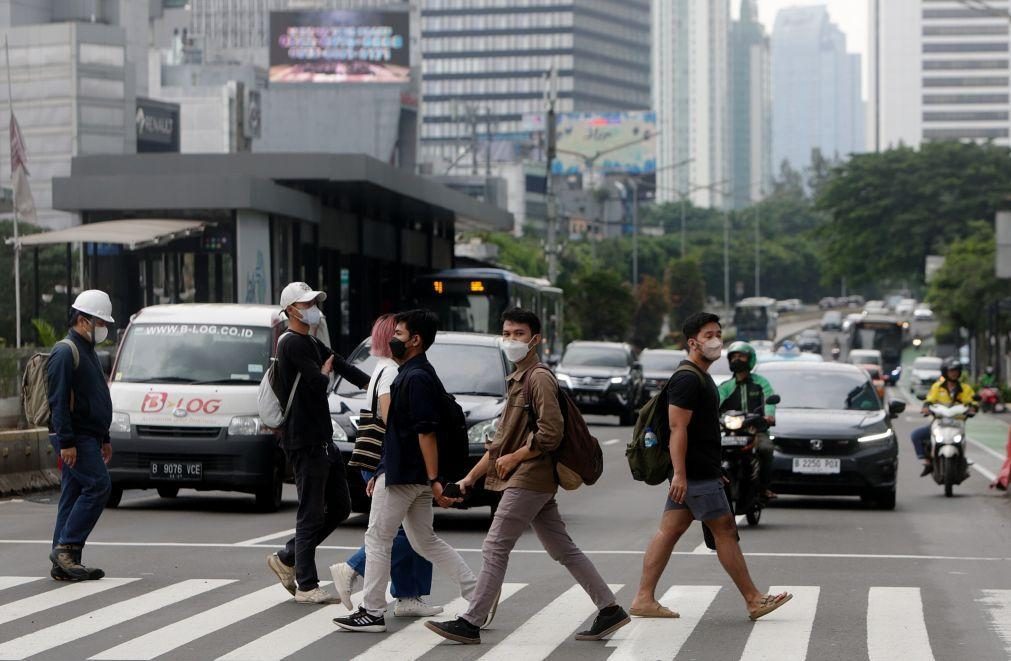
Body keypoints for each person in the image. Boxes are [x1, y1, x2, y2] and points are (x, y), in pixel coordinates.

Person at [426, 308, 629, 646]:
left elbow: (551, 433)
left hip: (532, 475)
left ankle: (471, 621)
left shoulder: (539, 378)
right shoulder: (518, 379)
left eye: (519, 334)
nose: (511, 340)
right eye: (507, 333)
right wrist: (469, 479)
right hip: (528, 474)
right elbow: (501, 443)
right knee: (563, 548)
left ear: (536, 339)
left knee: (495, 544)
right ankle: (609, 608)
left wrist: (516, 457)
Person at [629, 312, 792, 621]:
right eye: (708, 335)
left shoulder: (700, 377)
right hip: (694, 474)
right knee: (726, 530)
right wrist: (680, 473)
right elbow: (678, 429)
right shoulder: (688, 378)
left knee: (669, 530)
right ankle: (754, 599)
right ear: (693, 342)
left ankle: (643, 598)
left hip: (700, 471)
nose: (716, 340)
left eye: (718, 333)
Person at [333, 309, 477, 633]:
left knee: (378, 538)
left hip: (404, 476)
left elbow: (424, 433)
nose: (392, 339)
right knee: (424, 540)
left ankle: (371, 611)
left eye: (398, 334)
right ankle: (477, 592)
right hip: (406, 474)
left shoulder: (414, 378)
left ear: (415, 340)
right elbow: (398, 431)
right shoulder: (415, 373)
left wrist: (434, 478)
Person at [329, 314, 442, 618]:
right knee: (405, 535)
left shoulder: (383, 368)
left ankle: (407, 595)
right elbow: (394, 423)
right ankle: (354, 568)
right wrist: (384, 467)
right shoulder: (393, 372)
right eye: (398, 332)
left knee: (410, 532)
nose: (399, 338)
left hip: (385, 460)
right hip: (391, 461)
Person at [266, 282, 370, 604]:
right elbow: (316, 383)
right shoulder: (291, 344)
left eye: (314, 301)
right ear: (291, 310)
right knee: (310, 512)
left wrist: (377, 383)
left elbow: (342, 366)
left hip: (322, 437)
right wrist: (325, 373)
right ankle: (306, 585)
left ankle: (288, 556)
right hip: (303, 439)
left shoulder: (310, 341)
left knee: (340, 506)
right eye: (306, 302)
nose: (313, 307)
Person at [47, 290, 116, 581]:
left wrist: (105, 436)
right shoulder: (65, 351)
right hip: (76, 437)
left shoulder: (86, 351)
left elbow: (95, 396)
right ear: (83, 320)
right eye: (100, 322)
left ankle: (63, 560)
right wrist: (67, 442)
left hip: (89, 436)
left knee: (72, 494)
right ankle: (67, 547)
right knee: (99, 486)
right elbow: (58, 401)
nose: (104, 328)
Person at [718, 341, 778, 501]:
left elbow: (769, 401)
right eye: (734, 357)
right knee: (714, 451)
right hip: (730, 431)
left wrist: (769, 416)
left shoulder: (761, 382)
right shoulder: (725, 386)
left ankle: (764, 488)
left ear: (750, 359)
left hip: (756, 431)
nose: (737, 359)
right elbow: (715, 404)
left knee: (766, 449)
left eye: (741, 356)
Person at [911, 358, 976, 477]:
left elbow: (972, 402)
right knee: (916, 435)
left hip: (957, 423)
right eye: (951, 370)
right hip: (939, 422)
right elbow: (929, 400)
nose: (954, 373)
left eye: (956, 370)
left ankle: (962, 461)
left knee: (961, 440)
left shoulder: (965, 388)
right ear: (945, 372)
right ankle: (927, 461)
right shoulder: (937, 387)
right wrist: (926, 407)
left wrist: (973, 409)